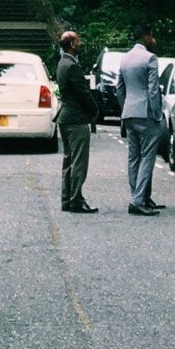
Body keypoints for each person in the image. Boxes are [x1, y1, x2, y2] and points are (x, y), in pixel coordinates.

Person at [116, 27, 165, 216]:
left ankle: (139, 196)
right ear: (146, 37)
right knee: (147, 157)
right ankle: (138, 200)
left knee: (133, 157)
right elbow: (153, 90)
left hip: (129, 111)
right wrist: (156, 113)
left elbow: (120, 89)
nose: (153, 40)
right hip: (146, 112)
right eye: (151, 36)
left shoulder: (125, 59)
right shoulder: (150, 58)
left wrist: (125, 108)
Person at [55, 29, 99, 214]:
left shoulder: (61, 63)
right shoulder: (72, 66)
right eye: (78, 40)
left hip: (65, 117)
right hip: (76, 119)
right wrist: (95, 110)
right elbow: (83, 93)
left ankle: (66, 199)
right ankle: (76, 200)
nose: (80, 43)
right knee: (79, 162)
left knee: (68, 161)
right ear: (72, 44)